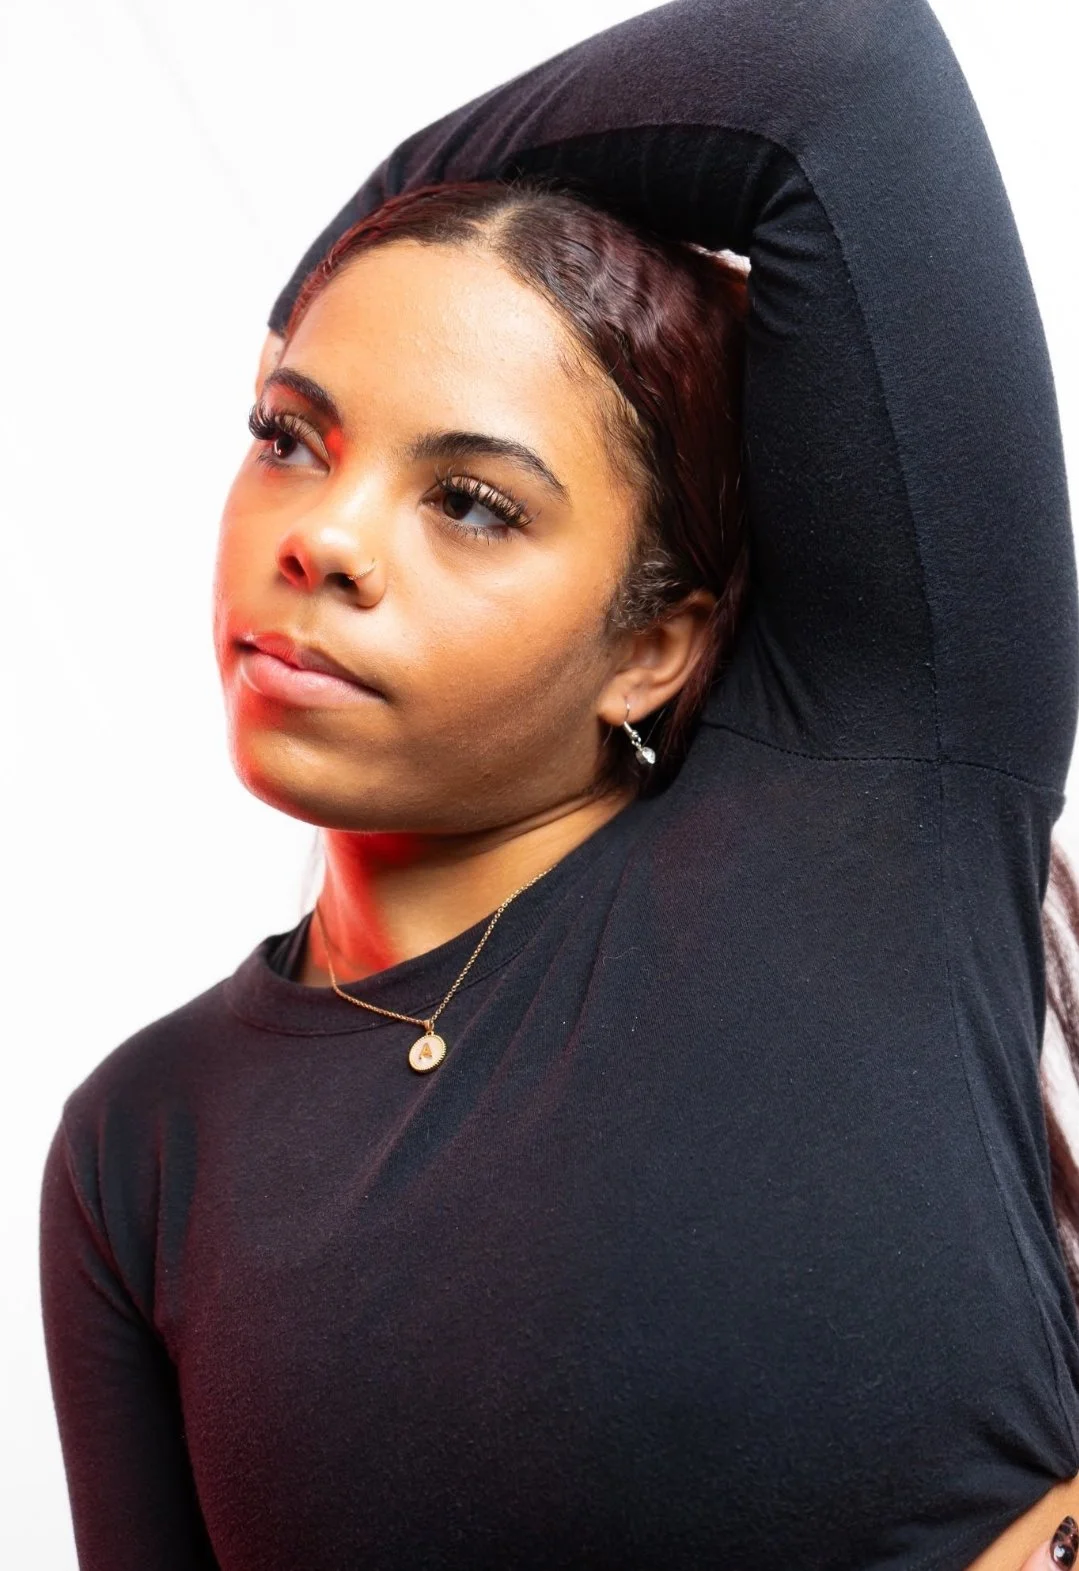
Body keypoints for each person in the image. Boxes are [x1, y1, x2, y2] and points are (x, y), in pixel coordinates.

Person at [37, 0, 1079, 1566]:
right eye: (290, 436)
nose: (320, 535)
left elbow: (841, 71)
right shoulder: (139, 1146)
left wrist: (361, 223)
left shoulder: (865, 806)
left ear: (652, 644)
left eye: (467, 500)